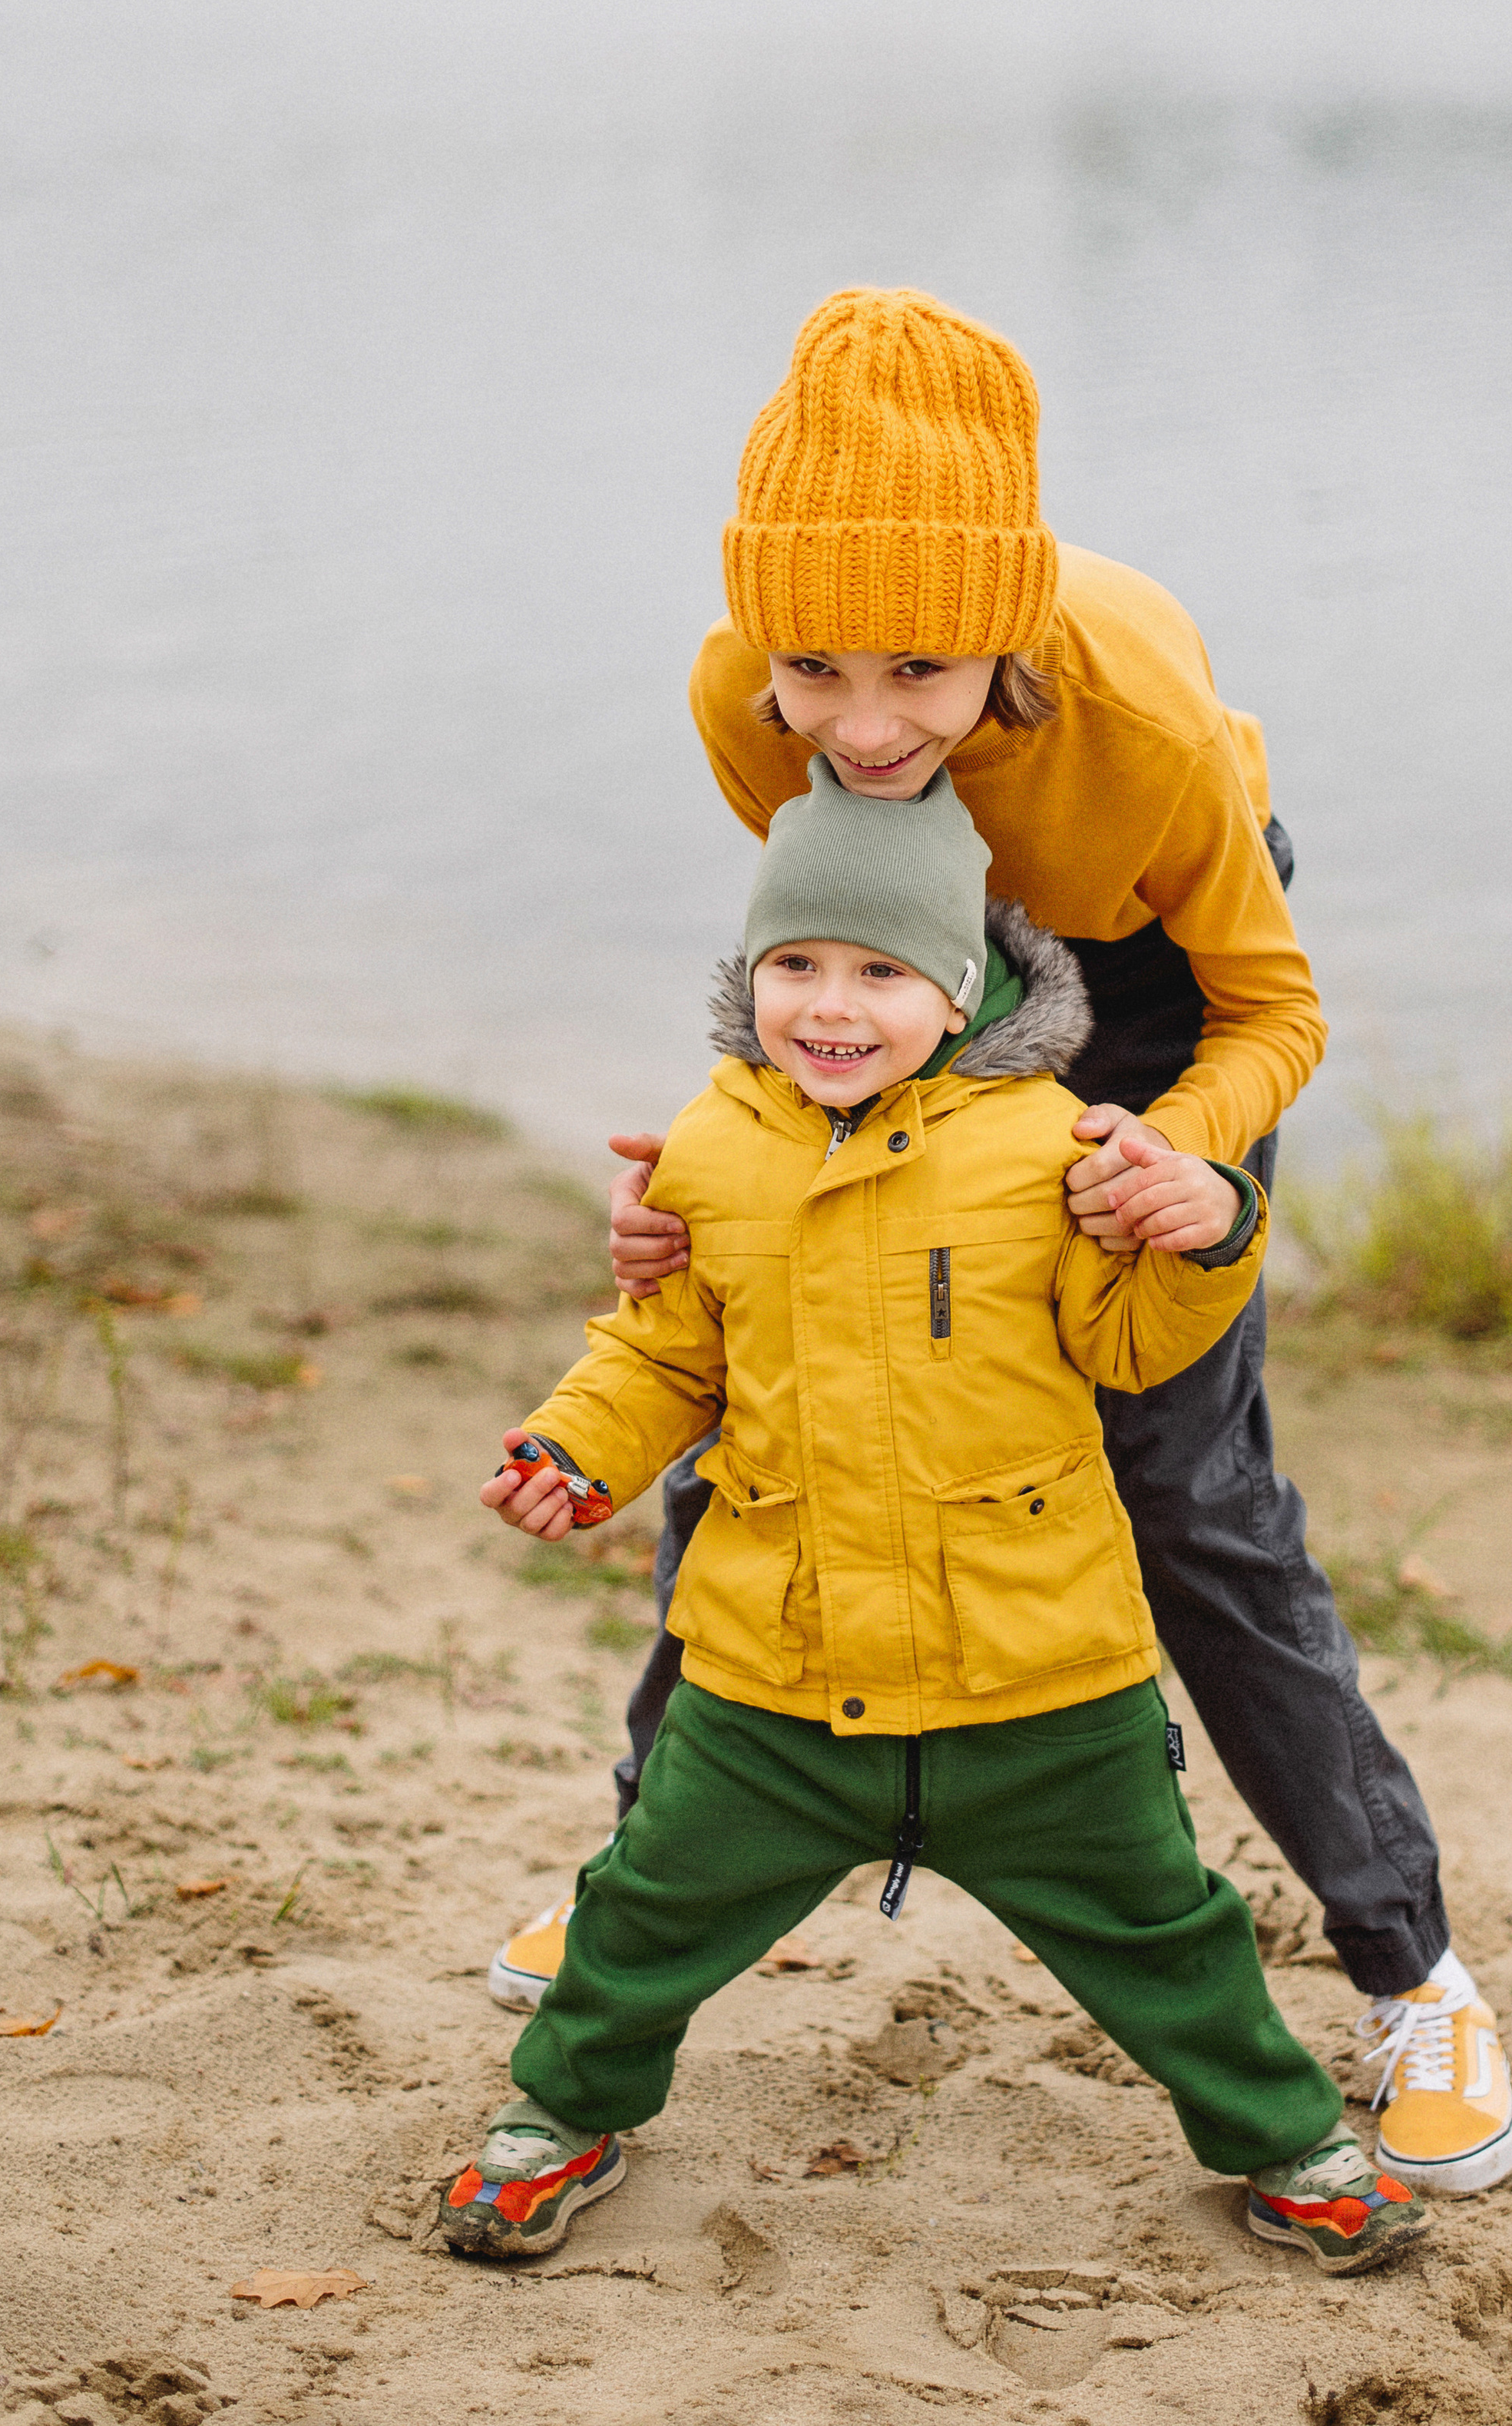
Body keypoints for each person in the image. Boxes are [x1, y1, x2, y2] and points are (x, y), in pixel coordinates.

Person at [491, 285, 1512, 2201]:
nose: (862, 725)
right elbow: (823, 968)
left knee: (1187, 1495)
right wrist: (717, 1198)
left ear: (1004, 635)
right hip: (923, 967)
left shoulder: (1137, 730)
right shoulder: (747, 700)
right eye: (814, 668)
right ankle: (645, 1877)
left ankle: (1411, 1976)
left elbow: (1274, 1011)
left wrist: (1177, 1164)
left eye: (920, 669)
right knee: (760, 1413)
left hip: (1158, 986)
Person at [448, 755, 1428, 2279]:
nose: (830, 1007)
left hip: (1038, 1670)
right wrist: (578, 1448)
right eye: (793, 965)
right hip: (777, 1672)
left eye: (880, 972)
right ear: (747, 975)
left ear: (962, 988)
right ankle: (560, 2116)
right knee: (643, 1907)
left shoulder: (1050, 1146)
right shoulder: (714, 1147)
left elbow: (1133, 1344)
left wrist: (1210, 1226)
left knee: (1165, 1929)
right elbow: (667, 1353)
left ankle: (1286, 2140)